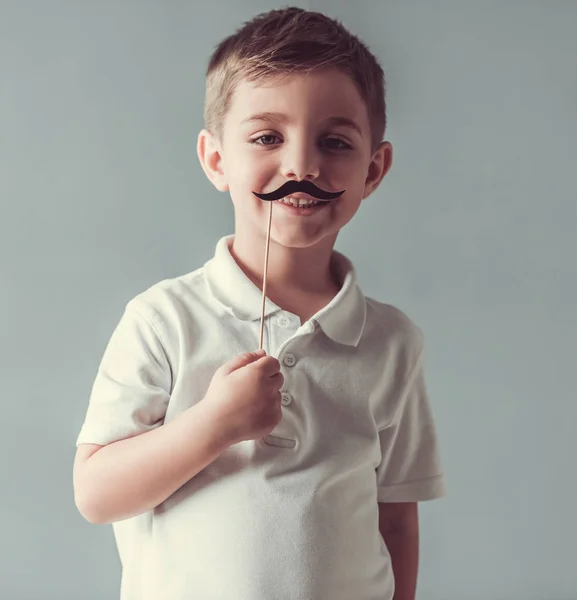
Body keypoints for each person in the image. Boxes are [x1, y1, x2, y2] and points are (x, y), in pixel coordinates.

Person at [73, 7, 446, 600]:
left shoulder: (393, 342)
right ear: (217, 159)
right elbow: (96, 494)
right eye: (268, 137)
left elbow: (396, 515)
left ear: (373, 170)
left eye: (335, 141)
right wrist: (213, 424)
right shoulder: (163, 319)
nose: (302, 165)